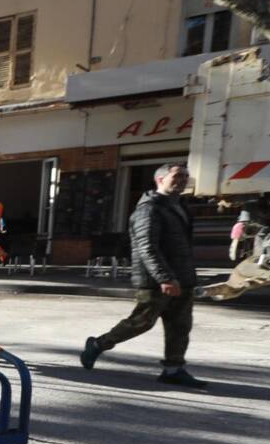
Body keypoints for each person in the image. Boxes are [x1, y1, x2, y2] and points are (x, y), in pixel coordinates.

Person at [80, 164, 204, 387]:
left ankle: (173, 370)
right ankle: (99, 344)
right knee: (141, 322)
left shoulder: (179, 206)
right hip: (156, 281)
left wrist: (184, 277)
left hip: (182, 278)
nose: (183, 180)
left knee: (180, 326)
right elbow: (147, 246)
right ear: (160, 179)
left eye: (185, 176)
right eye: (176, 176)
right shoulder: (149, 209)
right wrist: (164, 277)